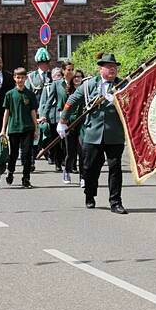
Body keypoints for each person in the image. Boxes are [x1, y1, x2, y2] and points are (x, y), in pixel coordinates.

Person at [58, 53, 128, 214]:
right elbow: (72, 101)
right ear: (101, 68)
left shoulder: (123, 84)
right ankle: (89, 194)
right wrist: (63, 121)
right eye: (109, 67)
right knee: (89, 168)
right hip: (92, 133)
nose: (112, 70)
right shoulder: (89, 85)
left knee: (115, 168)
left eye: (114, 67)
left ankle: (115, 202)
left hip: (114, 134)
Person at [0, 67, 39, 188]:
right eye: (18, 77)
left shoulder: (30, 94)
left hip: (27, 128)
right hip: (14, 128)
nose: (20, 80)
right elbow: (7, 112)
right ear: (14, 78)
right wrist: (3, 130)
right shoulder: (10, 94)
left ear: (26, 78)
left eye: (22, 77)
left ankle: (26, 178)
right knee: (14, 153)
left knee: (26, 154)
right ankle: (10, 171)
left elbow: (33, 112)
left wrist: (36, 128)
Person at [41, 62, 76, 182]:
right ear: (63, 71)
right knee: (58, 141)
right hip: (60, 115)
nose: (70, 72)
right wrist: (44, 115)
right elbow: (50, 100)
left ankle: (72, 164)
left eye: (72, 69)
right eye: (68, 69)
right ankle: (57, 162)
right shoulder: (56, 84)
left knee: (72, 142)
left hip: (74, 116)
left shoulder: (76, 83)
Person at [26, 47, 53, 171]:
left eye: (47, 63)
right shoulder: (31, 77)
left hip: (49, 111)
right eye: (43, 63)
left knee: (49, 133)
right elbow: (27, 95)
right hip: (35, 111)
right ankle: (31, 161)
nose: (45, 65)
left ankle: (50, 154)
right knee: (33, 136)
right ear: (38, 64)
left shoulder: (52, 76)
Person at [39, 67, 64, 172]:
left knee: (66, 141)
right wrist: (43, 114)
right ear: (52, 77)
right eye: (56, 76)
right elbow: (46, 102)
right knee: (55, 141)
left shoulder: (65, 85)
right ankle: (57, 161)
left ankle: (67, 161)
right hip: (53, 117)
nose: (58, 78)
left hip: (63, 115)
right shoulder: (48, 87)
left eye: (59, 75)